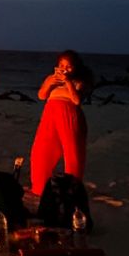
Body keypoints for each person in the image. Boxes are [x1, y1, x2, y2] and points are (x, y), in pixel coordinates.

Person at [30, 50, 91, 196]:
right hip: (50, 115)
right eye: (61, 65)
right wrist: (49, 83)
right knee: (41, 151)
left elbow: (77, 100)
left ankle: (73, 188)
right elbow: (41, 95)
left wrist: (68, 82)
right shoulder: (51, 79)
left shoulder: (78, 82)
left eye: (69, 66)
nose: (64, 68)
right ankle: (40, 188)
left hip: (69, 115)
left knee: (72, 153)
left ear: (75, 68)